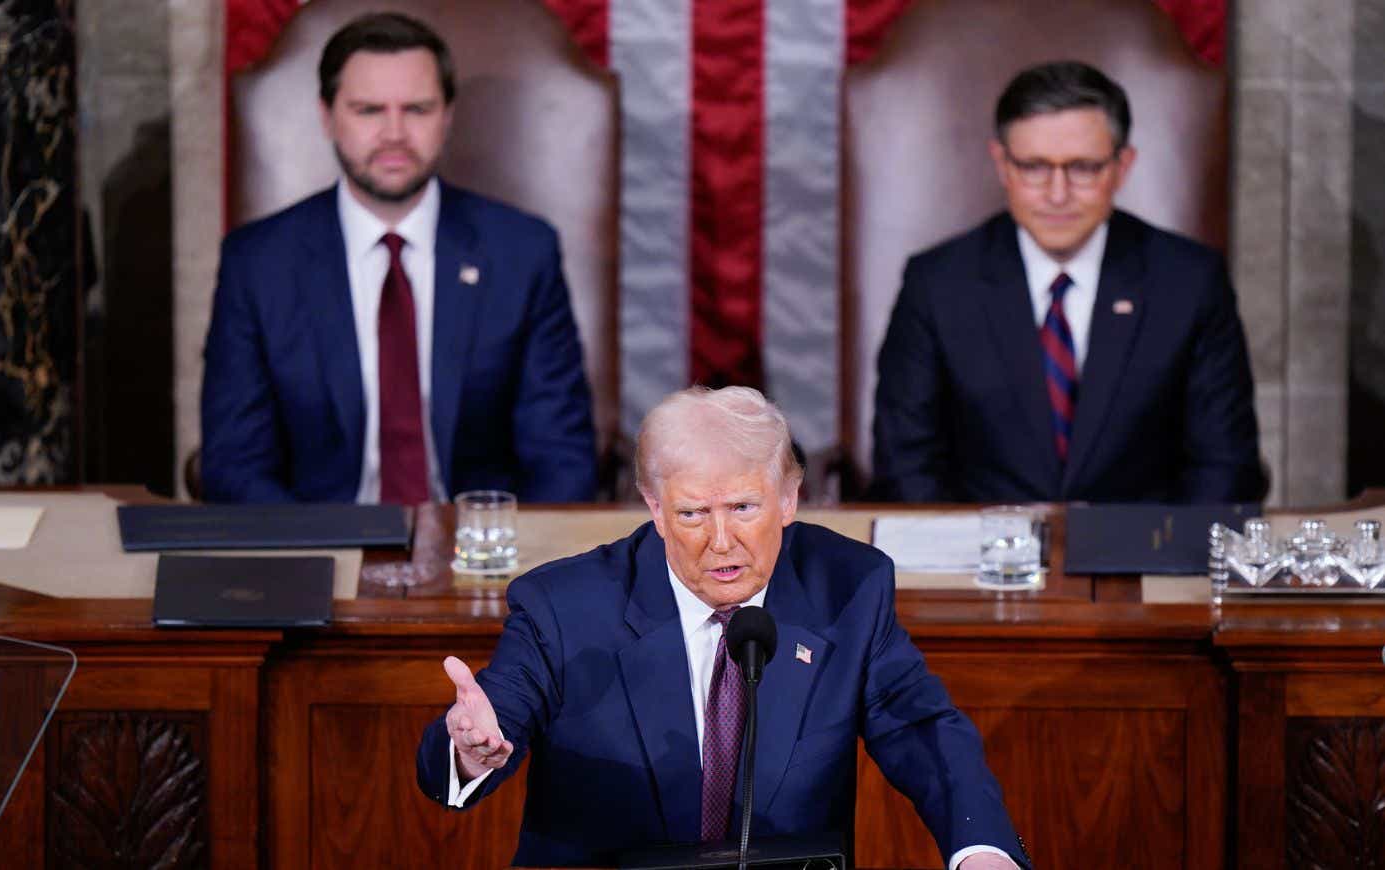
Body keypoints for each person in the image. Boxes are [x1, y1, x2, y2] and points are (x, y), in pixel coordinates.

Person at [417, 387, 1027, 869]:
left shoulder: (848, 589)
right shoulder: (564, 606)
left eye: (743, 507)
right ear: (655, 508)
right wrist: (466, 753)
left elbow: (923, 730)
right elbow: (495, 714)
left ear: (788, 498)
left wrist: (982, 851)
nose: (720, 540)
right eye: (691, 513)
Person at [200, 12, 596, 504]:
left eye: (417, 109)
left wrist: (509, 546)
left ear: (447, 116)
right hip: (317, 541)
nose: (394, 133)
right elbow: (234, 463)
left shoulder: (522, 252)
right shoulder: (258, 263)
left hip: (481, 541)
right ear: (327, 117)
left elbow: (562, 457)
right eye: (368, 110)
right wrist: (314, 544)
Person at [871, 60, 1264, 504]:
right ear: (1002, 164)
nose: (1057, 194)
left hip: (1144, 543)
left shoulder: (1189, 281)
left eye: (1083, 168)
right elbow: (906, 466)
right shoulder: (937, 284)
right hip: (979, 544)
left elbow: (1224, 466)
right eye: (1034, 167)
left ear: (1122, 166)